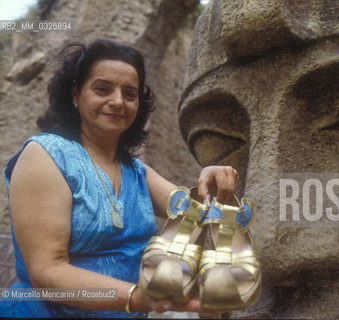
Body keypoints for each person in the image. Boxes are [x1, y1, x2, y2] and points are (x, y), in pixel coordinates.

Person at [1, 39, 239, 318]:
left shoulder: (135, 170)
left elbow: (193, 211)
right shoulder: (46, 155)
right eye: (102, 89)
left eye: (130, 94)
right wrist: (137, 298)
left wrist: (210, 180)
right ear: (76, 93)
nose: (117, 101)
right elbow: (47, 273)